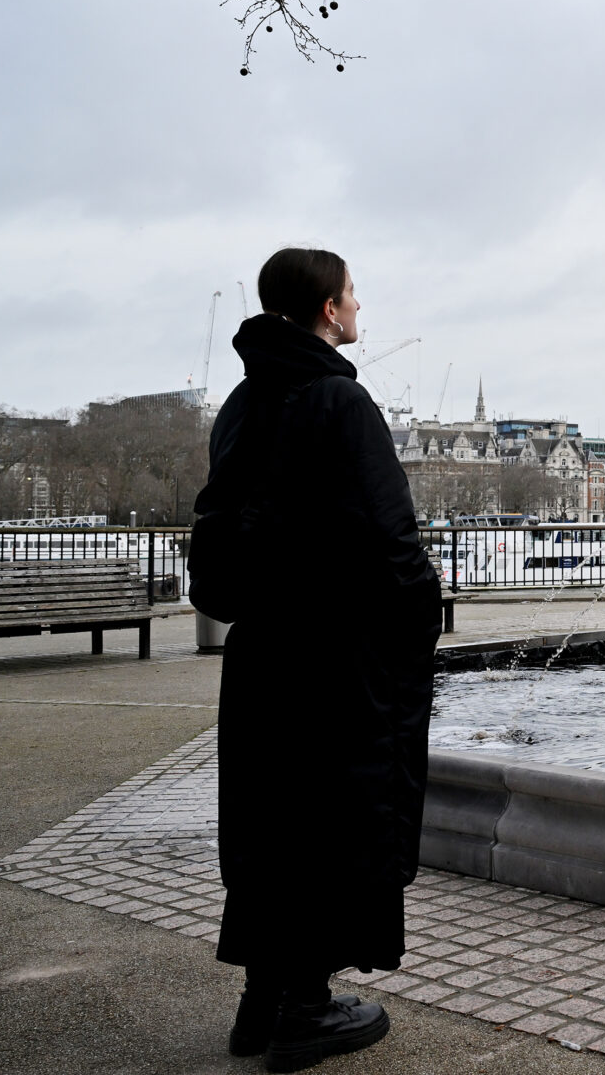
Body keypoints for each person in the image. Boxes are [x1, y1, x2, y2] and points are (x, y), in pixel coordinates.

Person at [192, 248, 439, 1071]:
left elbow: (220, 540)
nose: (360, 306)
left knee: (269, 824)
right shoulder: (342, 401)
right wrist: (415, 628)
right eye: (352, 295)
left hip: (262, 655)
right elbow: (392, 535)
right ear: (329, 312)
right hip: (335, 656)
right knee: (337, 821)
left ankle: (261, 1004)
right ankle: (304, 1008)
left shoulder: (240, 403)